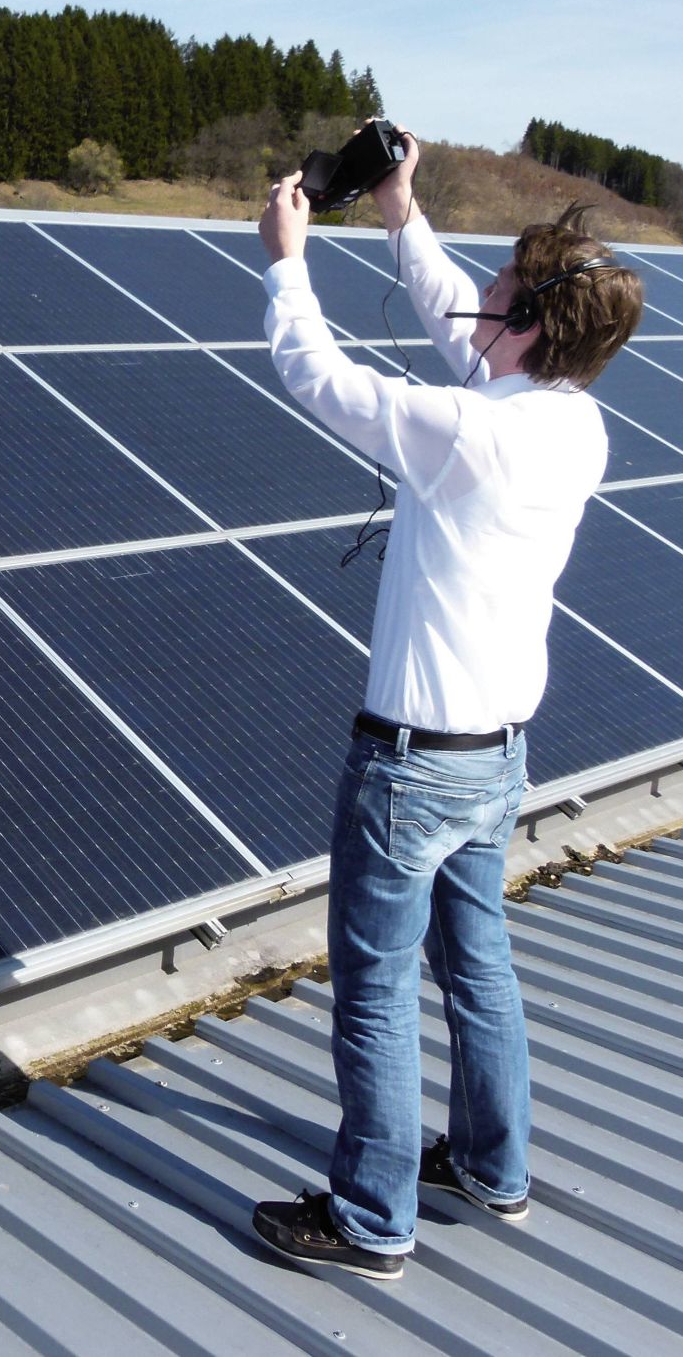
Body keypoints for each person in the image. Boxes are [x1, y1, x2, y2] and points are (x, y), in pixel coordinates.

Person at [248, 126, 646, 1280]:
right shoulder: (570, 422)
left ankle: (371, 1217)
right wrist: (396, 205)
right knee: (478, 966)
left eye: (500, 292)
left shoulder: (463, 433)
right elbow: (452, 324)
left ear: (524, 323)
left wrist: (285, 258)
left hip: (410, 767)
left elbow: (316, 377)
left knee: (372, 994)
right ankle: (490, 1163)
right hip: (495, 759)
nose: (479, 300)